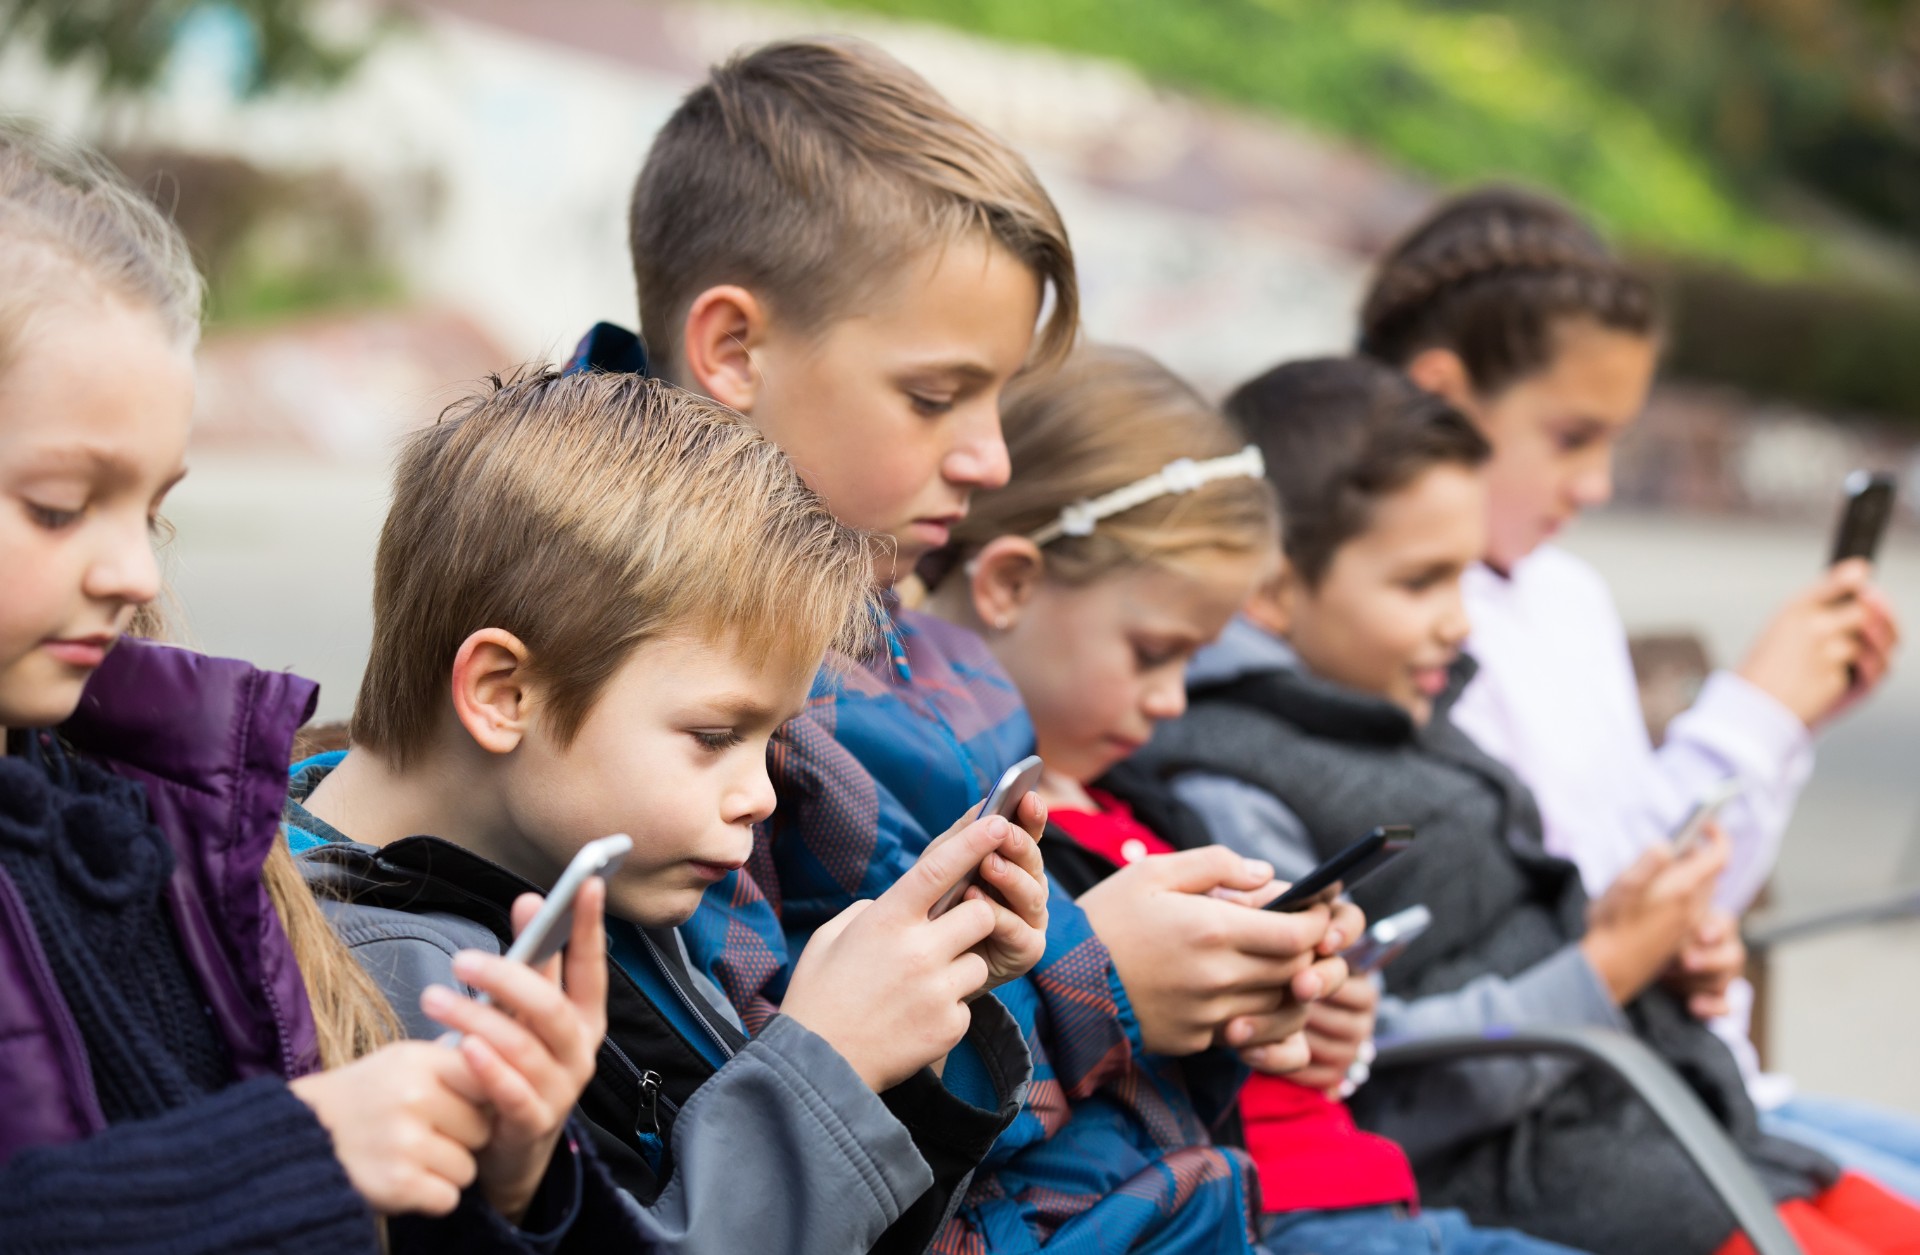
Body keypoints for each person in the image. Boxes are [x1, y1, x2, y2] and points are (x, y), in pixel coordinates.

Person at [585, 37, 1352, 1252]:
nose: (990, 460)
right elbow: (759, 1127)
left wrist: (1222, 983)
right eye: (937, 397)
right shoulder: (649, 677)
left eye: (999, 401)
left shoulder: (904, 633)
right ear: (732, 350)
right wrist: (1103, 987)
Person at [0, 121, 642, 1251]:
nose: (135, 572)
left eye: (151, 509)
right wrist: (285, 1159)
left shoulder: (143, 813)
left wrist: (500, 1176)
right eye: (58, 506)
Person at [1141, 355, 1920, 1255]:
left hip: (1673, 1136)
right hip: (1563, 1187)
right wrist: (1609, 966)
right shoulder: (1230, 780)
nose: (1461, 620)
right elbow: (1362, 1079)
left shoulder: (1399, 706)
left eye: (1466, 579)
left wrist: (1648, 954)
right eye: (1421, 582)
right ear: (1273, 589)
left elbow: (1509, 925)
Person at [286, 368, 1043, 1255]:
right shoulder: (398, 996)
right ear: (503, 693)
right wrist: (825, 1066)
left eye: (769, 741)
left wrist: (905, 1048)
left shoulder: (585, 875)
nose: (758, 793)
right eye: (715, 733)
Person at [921, 342, 1588, 1255]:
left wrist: (1302, 1011)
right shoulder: (968, 827)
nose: (1173, 699)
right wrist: (1116, 979)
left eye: (1191, 659)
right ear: (1008, 583)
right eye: (1154, 652)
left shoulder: (1148, 805)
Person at [1356, 184, 1918, 1197]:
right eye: (1572, 437)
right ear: (1441, 396)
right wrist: (1756, 713)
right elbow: (1584, 914)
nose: (1599, 483)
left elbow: (1670, 889)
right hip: (1612, 1121)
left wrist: (1786, 724)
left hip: (1704, 1089)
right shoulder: (1409, 630)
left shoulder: (1565, 594)